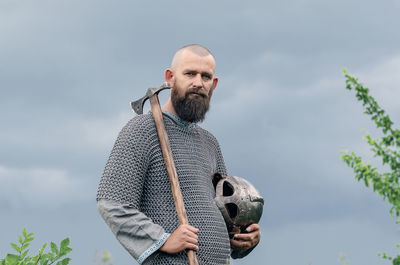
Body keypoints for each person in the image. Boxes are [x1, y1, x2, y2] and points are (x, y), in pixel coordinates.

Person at [96, 44, 260, 265]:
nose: (198, 83)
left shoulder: (210, 143)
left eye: (206, 76)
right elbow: (113, 202)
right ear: (170, 77)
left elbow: (224, 217)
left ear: (214, 85)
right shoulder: (142, 129)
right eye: (190, 73)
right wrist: (162, 240)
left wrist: (242, 238)